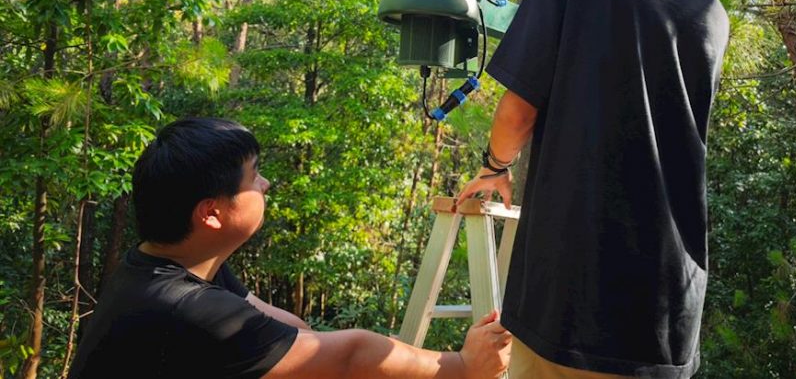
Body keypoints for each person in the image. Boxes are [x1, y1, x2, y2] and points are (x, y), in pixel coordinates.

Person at [456, 0, 740, 379]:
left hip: (573, 298)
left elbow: (519, 109)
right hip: (667, 308)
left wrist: (496, 167)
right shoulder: (713, 14)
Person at [69, 117, 511, 379]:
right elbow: (348, 355)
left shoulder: (174, 265)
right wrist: (460, 365)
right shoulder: (186, 309)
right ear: (211, 214)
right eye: (253, 177)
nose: (266, 184)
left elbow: (295, 332)